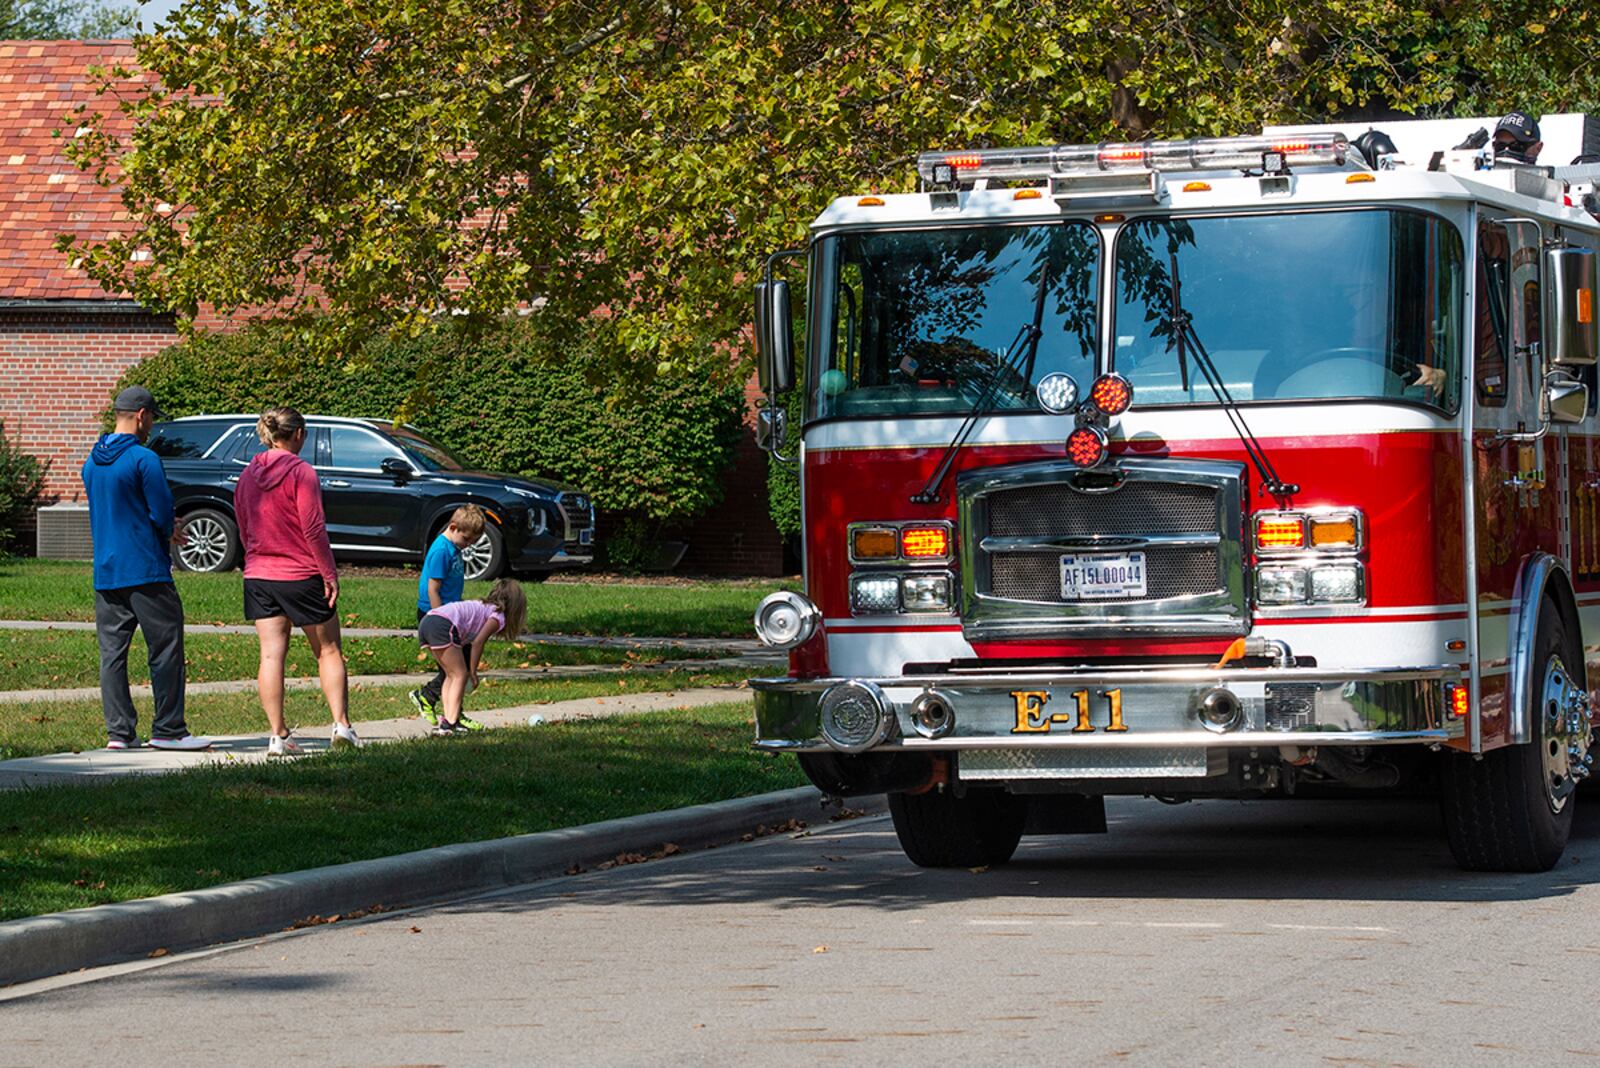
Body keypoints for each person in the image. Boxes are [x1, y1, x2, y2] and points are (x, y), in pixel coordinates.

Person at [81, 386, 212, 751]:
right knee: (165, 648)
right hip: (146, 569)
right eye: (152, 417)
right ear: (141, 415)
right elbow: (159, 510)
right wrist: (171, 527)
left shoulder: (91, 462)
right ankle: (169, 730)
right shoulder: (143, 459)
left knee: (112, 654)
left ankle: (119, 733)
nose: (152, 425)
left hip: (106, 571)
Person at [234, 407, 362, 754]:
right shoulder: (302, 472)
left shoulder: (247, 475)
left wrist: (257, 558)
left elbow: (243, 526)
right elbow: (313, 527)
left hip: (259, 574)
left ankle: (278, 736)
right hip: (301, 574)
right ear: (299, 434)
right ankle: (342, 727)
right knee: (329, 650)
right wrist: (329, 572)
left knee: (271, 657)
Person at [418, 578, 527, 735]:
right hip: (442, 625)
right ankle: (450, 723)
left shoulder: (484, 607)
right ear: (516, 606)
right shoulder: (498, 616)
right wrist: (473, 672)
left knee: (451, 675)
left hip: (428, 621)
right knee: (460, 674)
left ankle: (448, 721)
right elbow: (478, 642)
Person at [409, 504, 485, 725]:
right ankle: (432, 701)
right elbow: (433, 588)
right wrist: (440, 616)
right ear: (453, 527)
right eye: (467, 540)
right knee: (455, 669)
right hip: (438, 617)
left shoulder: (454, 548)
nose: (468, 545)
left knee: (455, 668)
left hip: (452, 617)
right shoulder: (442, 550)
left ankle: (451, 712)